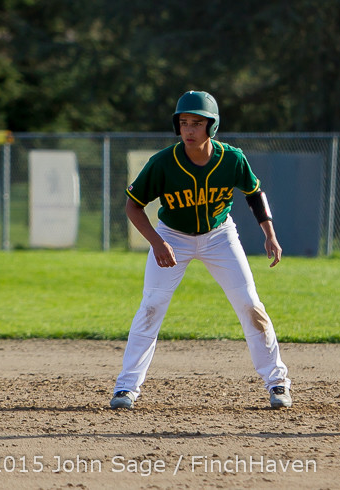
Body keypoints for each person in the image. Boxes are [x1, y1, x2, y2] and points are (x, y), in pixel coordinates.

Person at [110, 90, 292, 410]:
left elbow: (254, 192)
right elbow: (133, 206)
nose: (189, 130)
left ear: (212, 126)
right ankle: (126, 387)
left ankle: (277, 381)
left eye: (197, 123)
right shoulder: (163, 162)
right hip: (172, 236)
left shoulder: (232, 158)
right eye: (183, 123)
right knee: (151, 306)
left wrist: (270, 235)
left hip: (219, 236)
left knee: (250, 304)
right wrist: (157, 241)